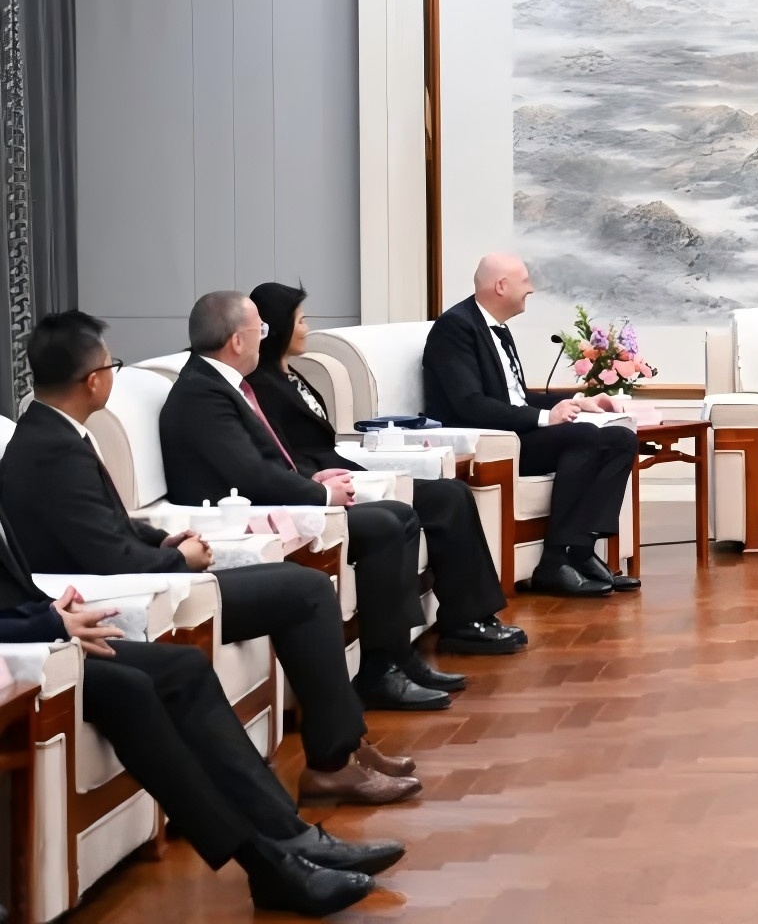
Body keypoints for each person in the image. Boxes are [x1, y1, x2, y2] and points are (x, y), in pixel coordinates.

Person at [0, 311, 418, 807]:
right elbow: (106, 555)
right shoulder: (53, 449)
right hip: (129, 594)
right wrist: (181, 561)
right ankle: (334, 763)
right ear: (94, 381)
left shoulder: (52, 432)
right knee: (303, 591)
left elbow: (107, 525)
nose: (113, 375)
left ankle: (343, 748)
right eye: (112, 366)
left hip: (146, 574)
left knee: (299, 590)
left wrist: (164, 541)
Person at [0, 529, 400, 915]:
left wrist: (54, 612)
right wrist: (47, 624)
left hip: (35, 638)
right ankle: (266, 865)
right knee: (129, 688)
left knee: (184, 667)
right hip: (19, 654)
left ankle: (288, 833)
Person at [160, 292, 458, 711]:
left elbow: (264, 463)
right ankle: (381, 672)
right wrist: (321, 494)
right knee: (386, 524)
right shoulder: (201, 395)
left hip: (270, 501)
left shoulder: (220, 384)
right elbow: (251, 475)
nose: (265, 338)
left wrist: (310, 479)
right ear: (237, 341)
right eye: (260, 330)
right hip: (244, 517)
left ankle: (396, 657)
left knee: (400, 516)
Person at [248, 282, 524, 657]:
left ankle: (471, 617)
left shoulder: (292, 375)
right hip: (329, 483)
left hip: (346, 470)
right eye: (301, 321)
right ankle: (460, 624)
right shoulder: (260, 387)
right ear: (278, 327)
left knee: (451, 492)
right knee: (443, 498)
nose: (307, 329)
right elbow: (287, 456)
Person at [422, 253, 638, 598]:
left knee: (620, 439)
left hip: (517, 433)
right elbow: (469, 404)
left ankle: (580, 551)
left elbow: (518, 398)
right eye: (525, 281)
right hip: (491, 443)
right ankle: (555, 560)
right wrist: (546, 418)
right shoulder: (455, 328)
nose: (531, 289)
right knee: (584, 436)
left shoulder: (499, 329)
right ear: (501, 286)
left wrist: (578, 400)